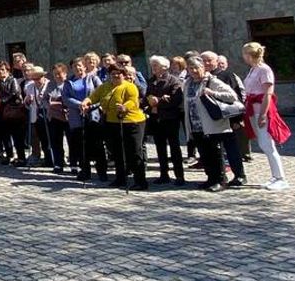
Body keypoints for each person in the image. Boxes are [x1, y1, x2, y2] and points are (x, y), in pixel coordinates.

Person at [84, 65, 148, 190]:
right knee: (117, 151)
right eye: (113, 73)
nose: (115, 75)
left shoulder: (130, 86)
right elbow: (93, 97)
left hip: (132, 122)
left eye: (118, 73)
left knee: (134, 151)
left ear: (123, 75)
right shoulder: (105, 86)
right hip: (112, 122)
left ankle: (140, 181)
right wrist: (86, 102)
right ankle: (120, 179)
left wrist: (125, 107)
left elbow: (133, 101)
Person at [182, 56, 241, 192]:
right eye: (191, 68)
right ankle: (210, 178)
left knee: (215, 153)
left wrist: (212, 92)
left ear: (203, 68)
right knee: (204, 154)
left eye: (197, 68)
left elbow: (232, 96)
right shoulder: (188, 83)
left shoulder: (211, 81)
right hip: (195, 125)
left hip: (211, 124)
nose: (194, 71)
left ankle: (220, 180)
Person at [241, 42, 291, 191]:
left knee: (267, 144)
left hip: (260, 110)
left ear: (249, 55)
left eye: (244, 54)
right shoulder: (253, 70)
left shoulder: (264, 70)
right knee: (263, 144)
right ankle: (275, 176)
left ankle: (281, 178)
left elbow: (268, 94)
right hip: (252, 110)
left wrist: (263, 114)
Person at [201, 51, 248, 187]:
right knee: (216, 151)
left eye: (209, 60)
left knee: (232, 149)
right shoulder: (202, 78)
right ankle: (221, 177)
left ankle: (240, 175)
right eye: (204, 61)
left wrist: (238, 119)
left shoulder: (226, 75)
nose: (207, 63)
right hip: (211, 120)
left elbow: (238, 98)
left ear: (216, 61)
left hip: (228, 119)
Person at [146, 56, 186, 186]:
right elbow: (146, 97)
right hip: (156, 119)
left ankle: (179, 176)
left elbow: (176, 100)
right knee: (160, 147)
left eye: (156, 65)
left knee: (174, 147)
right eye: (153, 65)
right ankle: (164, 174)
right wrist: (150, 103)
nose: (153, 68)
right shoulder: (151, 81)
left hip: (170, 119)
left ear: (164, 67)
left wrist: (159, 102)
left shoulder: (173, 81)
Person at [0, 62, 25, 165]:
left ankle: (21, 157)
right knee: (5, 136)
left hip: (14, 112)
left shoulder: (12, 80)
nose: (1, 72)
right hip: (1, 113)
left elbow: (15, 94)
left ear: (8, 71)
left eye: (3, 70)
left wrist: (2, 101)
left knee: (17, 136)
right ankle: (9, 155)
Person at [43, 64, 70, 176]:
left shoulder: (69, 84)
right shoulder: (50, 85)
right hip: (54, 116)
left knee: (71, 141)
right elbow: (45, 99)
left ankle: (73, 163)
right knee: (56, 141)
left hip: (68, 117)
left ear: (65, 74)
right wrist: (48, 105)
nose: (57, 76)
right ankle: (58, 163)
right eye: (55, 74)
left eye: (60, 74)